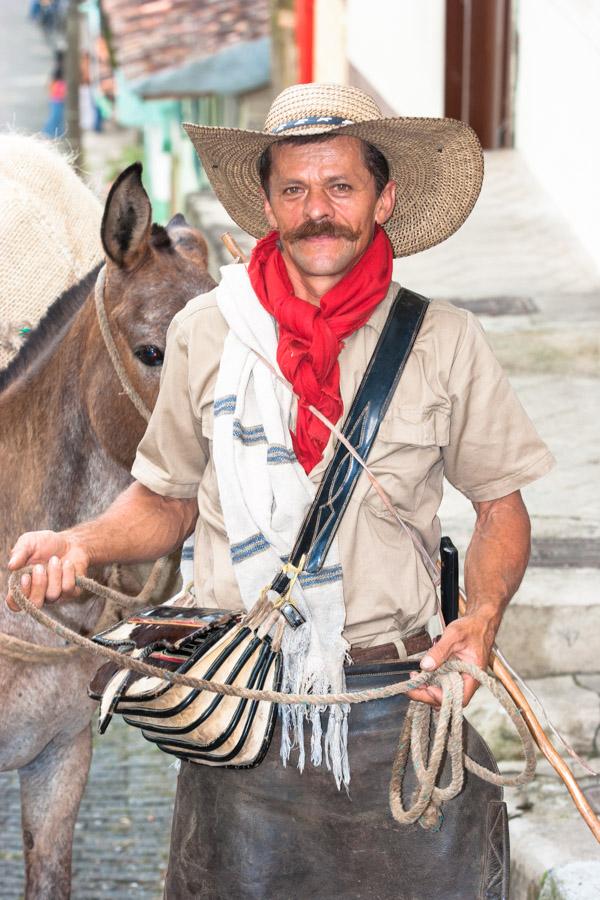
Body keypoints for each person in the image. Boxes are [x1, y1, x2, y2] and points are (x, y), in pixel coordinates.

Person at [7, 83, 554, 897]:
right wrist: (80, 543)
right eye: (293, 189)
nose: (316, 210)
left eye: (341, 186)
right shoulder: (206, 331)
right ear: (266, 202)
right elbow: (166, 499)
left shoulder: (445, 343)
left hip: (395, 712)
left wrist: (480, 617)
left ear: (384, 196)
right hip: (242, 723)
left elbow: (501, 509)